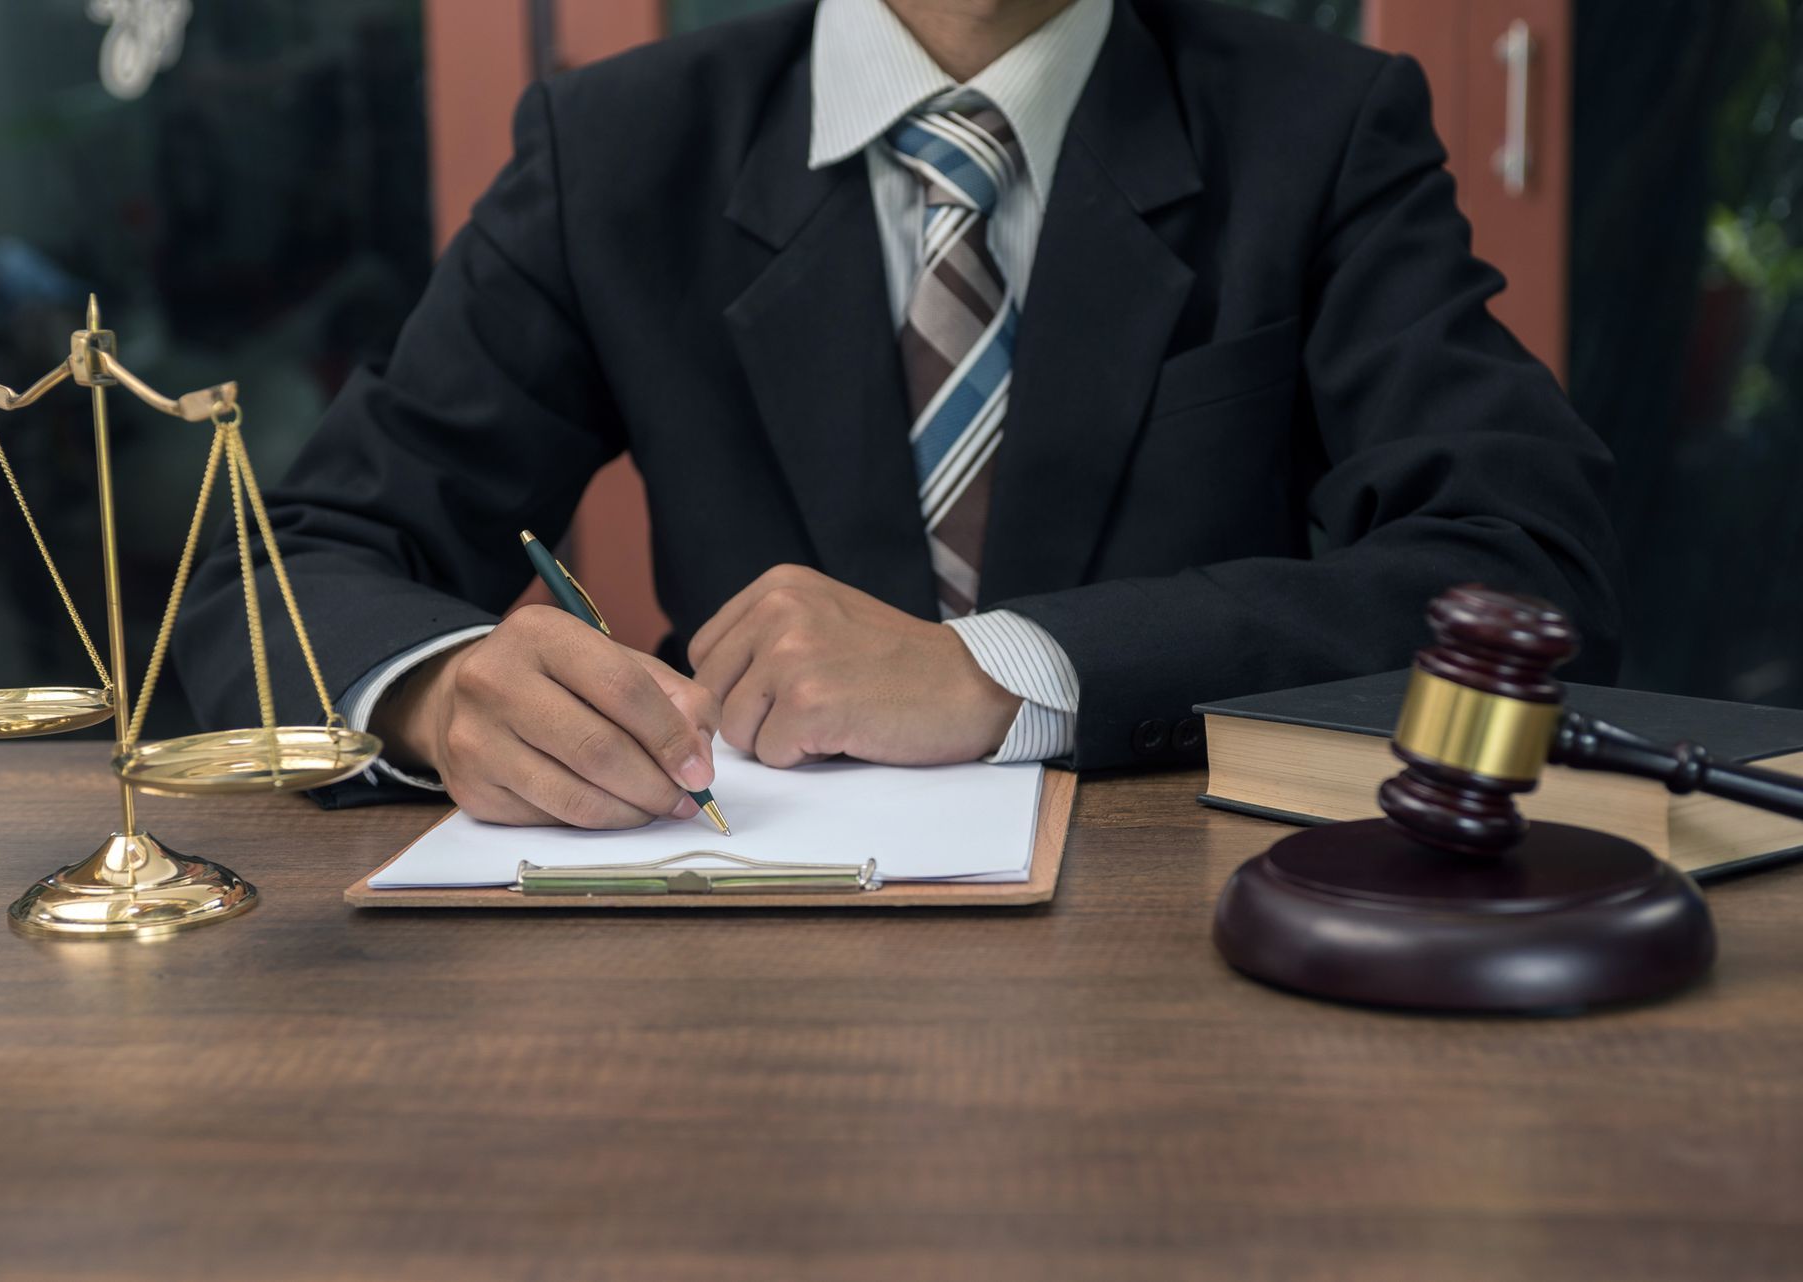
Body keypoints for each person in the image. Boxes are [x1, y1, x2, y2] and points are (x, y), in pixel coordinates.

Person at [175, 0, 1622, 828]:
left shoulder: (1322, 126)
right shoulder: (616, 148)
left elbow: (1517, 572)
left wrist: (1008, 669)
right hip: (735, 962)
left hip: (1197, 957)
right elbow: (280, 564)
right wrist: (437, 693)